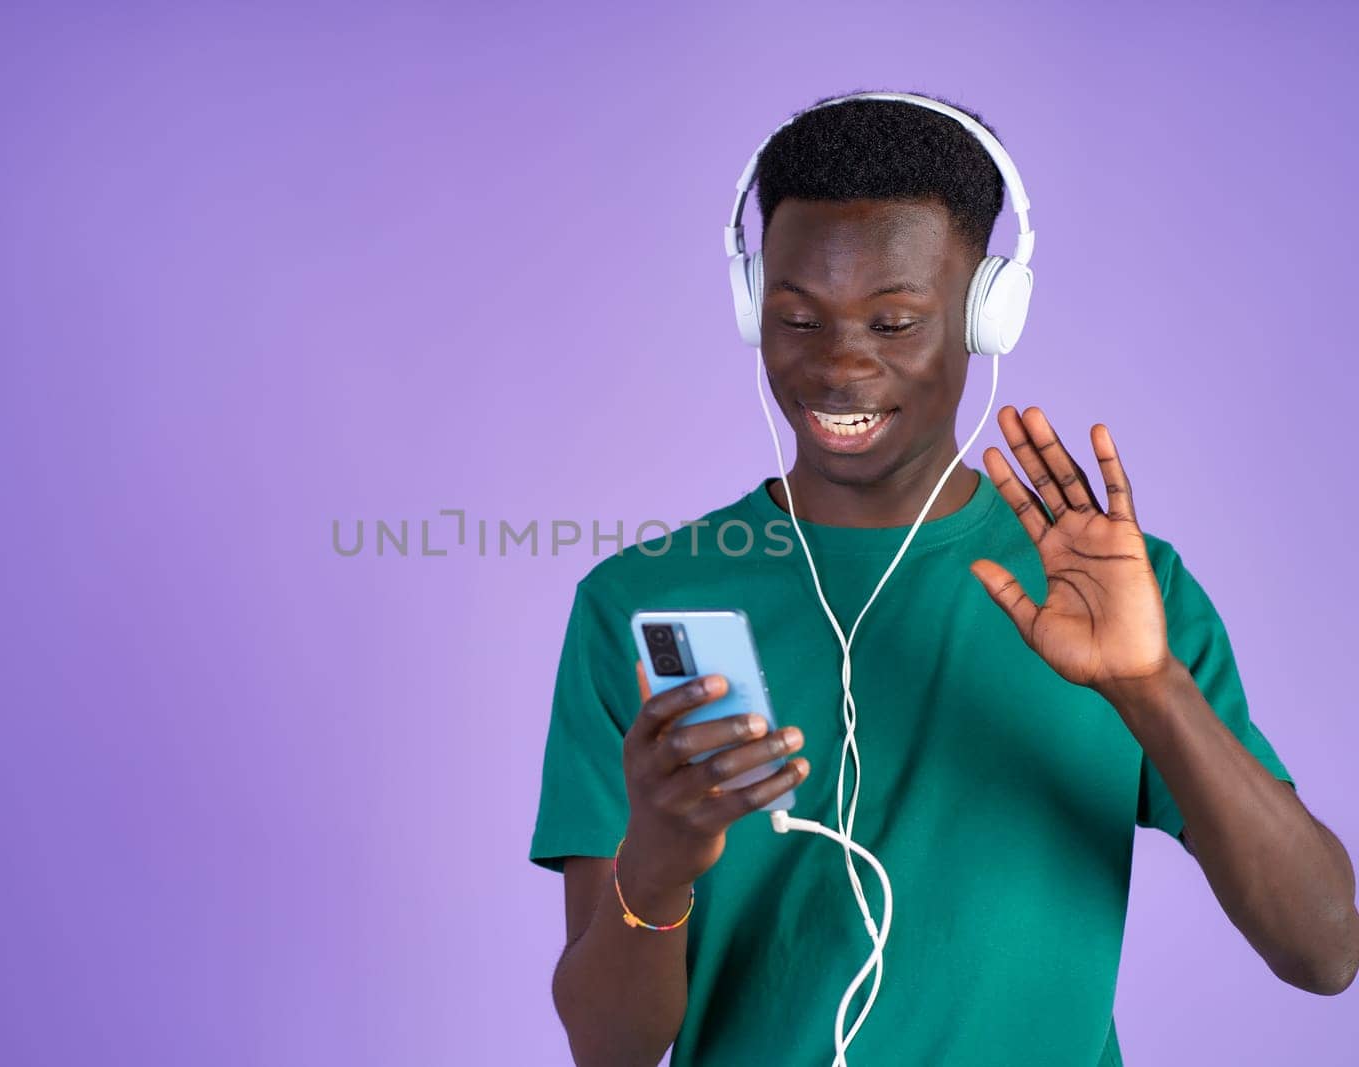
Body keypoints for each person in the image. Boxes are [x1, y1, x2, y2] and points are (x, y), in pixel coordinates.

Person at [528, 93, 1359, 1067]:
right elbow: (606, 1046)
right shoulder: (636, 600)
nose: (841, 363)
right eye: (797, 316)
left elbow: (1324, 949)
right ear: (751, 304)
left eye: (894, 320)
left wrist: (1148, 685)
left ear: (986, 313)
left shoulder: (1121, 593)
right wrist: (658, 866)